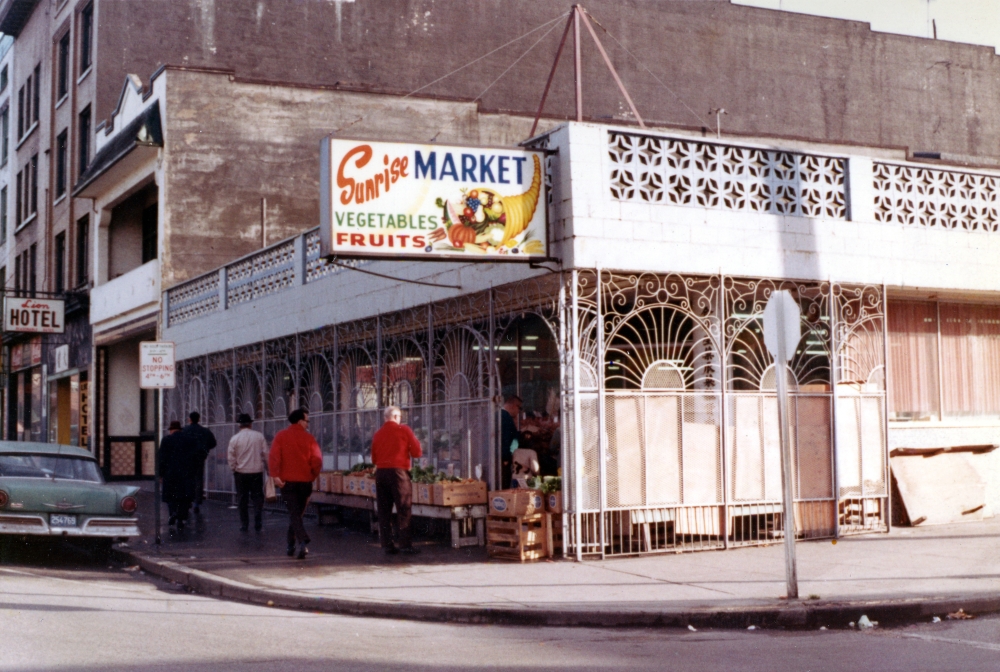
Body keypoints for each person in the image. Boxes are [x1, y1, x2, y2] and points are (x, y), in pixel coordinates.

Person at [268, 408, 322, 560]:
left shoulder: (281, 436)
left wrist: (275, 475)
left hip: (287, 483)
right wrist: (312, 475)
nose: (308, 424)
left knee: (294, 514)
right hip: (305, 483)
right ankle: (293, 544)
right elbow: (317, 460)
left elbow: (274, 457)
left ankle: (299, 542)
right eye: (307, 421)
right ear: (300, 421)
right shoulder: (309, 438)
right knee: (297, 514)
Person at [371, 405, 422, 556]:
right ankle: (405, 544)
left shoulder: (377, 434)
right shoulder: (404, 430)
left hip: (381, 473)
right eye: (399, 417)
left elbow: (373, 458)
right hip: (399, 473)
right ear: (395, 417)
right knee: (403, 508)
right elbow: (417, 452)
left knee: (384, 510)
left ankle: (387, 544)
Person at [227, 413, 269, 532]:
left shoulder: (234, 439)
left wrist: (234, 468)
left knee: (242, 499)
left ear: (239, 425)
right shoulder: (259, 436)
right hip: (256, 471)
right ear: (250, 424)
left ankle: (244, 524)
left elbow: (231, 457)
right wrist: (268, 468)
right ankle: (258, 520)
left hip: (241, 473)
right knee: (257, 497)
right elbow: (265, 454)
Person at [159, 420, 199, 531]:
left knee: (171, 496)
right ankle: (181, 519)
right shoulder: (190, 440)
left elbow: (161, 459)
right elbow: (196, 457)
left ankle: (173, 513)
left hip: (170, 473)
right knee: (184, 497)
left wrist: (160, 474)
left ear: (171, 430)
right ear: (180, 429)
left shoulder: (166, 440)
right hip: (186, 474)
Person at [183, 411, 217, 514]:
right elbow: (213, 443)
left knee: (187, 479)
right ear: (199, 419)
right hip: (200, 458)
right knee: (198, 479)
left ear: (189, 419)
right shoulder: (205, 431)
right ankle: (197, 503)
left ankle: (187, 500)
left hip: (187, 458)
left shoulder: (185, 430)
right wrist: (205, 450)